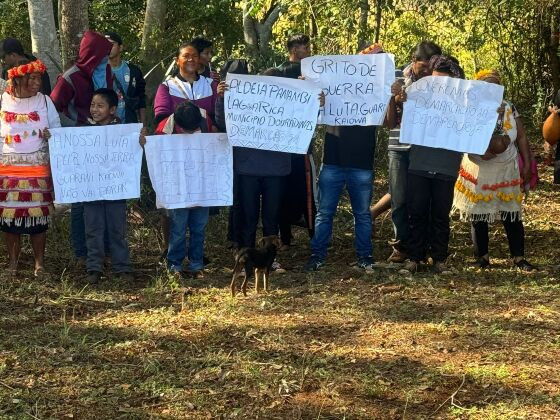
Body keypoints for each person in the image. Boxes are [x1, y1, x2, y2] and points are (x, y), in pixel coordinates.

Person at [304, 44, 397, 272]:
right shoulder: (336, 81)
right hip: (332, 160)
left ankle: (364, 258)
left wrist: (391, 95)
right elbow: (309, 115)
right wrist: (310, 95)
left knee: (363, 215)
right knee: (325, 213)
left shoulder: (379, 90)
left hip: (361, 163)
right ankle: (317, 257)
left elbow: (389, 123)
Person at [452, 70, 536, 271]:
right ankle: (482, 257)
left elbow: (521, 136)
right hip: (479, 166)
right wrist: (478, 152)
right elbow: (460, 134)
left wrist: (527, 161)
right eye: (487, 85)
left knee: (511, 213)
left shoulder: (508, 107)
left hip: (506, 167)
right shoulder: (469, 107)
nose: (492, 89)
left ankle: (518, 257)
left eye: (496, 85)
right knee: (478, 213)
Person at [50, 30, 113, 266]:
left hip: (103, 143)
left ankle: (104, 251)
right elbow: (53, 109)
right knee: (79, 201)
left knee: (106, 196)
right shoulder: (69, 78)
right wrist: (78, 125)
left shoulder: (105, 72)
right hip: (78, 144)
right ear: (91, 56)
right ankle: (80, 253)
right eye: (102, 56)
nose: (105, 61)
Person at [402, 55, 465, 274]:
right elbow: (399, 118)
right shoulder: (418, 94)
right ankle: (414, 257)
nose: (439, 85)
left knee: (440, 214)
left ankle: (439, 259)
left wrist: (486, 116)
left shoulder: (464, 102)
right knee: (416, 211)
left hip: (446, 166)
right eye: (435, 79)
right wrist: (399, 99)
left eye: (444, 81)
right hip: (419, 162)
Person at [382, 41, 442, 263]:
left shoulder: (439, 81)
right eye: (424, 66)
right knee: (399, 198)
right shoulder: (396, 75)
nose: (427, 71)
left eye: (431, 67)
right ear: (414, 60)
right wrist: (394, 98)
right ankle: (401, 246)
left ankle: (422, 247)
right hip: (398, 147)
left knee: (422, 201)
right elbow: (386, 119)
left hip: (424, 148)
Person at [0, 59, 60, 277]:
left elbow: (57, 130)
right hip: (7, 168)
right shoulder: (2, 100)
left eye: (38, 78)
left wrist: (50, 136)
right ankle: (13, 263)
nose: (37, 83)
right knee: (10, 219)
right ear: (17, 79)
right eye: (31, 78)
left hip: (37, 167)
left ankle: (39, 264)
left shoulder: (45, 102)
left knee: (39, 220)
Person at [83, 88, 144, 283]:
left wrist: (141, 141)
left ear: (112, 110)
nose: (95, 109)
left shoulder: (124, 131)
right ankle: (94, 268)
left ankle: (122, 268)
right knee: (93, 229)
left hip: (116, 190)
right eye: (93, 105)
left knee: (118, 230)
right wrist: (54, 138)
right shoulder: (83, 130)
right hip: (91, 189)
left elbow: (134, 151)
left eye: (100, 105)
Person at [154, 101, 215, 279]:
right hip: (178, 189)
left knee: (199, 228)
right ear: (178, 124)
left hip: (202, 188)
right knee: (178, 229)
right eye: (186, 130)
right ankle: (174, 265)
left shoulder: (205, 120)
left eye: (193, 129)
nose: (189, 133)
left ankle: (197, 264)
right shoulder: (165, 127)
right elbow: (156, 154)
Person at [276, 34, 317, 249]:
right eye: (302, 46)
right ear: (292, 48)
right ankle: (285, 237)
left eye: (307, 45)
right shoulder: (280, 71)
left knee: (307, 190)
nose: (307, 49)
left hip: (304, 142)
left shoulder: (314, 72)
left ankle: (313, 235)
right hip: (282, 142)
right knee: (282, 189)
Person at [154, 42, 218, 126]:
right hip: (177, 138)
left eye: (195, 56)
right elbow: (161, 117)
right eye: (186, 56)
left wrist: (211, 127)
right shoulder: (166, 87)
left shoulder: (211, 84)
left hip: (205, 137)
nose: (191, 59)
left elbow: (218, 115)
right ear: (177, 60)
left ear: (198, 59)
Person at [105, 32, 146, 124]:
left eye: (111, 44)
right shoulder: (98, 72)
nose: (107, 47)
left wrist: (143, 125)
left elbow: (141, 99)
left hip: (130, 124)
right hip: (105, 127)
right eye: (104, 45)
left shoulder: (133, 71)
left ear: (121, 47)